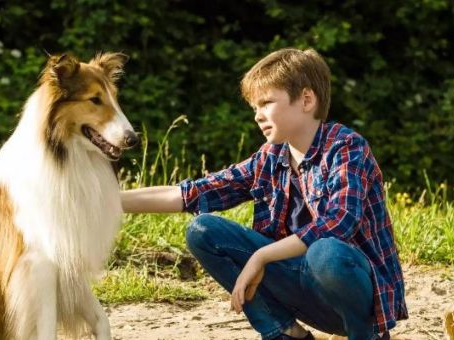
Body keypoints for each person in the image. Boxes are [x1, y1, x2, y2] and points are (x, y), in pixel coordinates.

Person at [121, 48, 408, 340]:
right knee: (203, 230)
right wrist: (110, 201)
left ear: (306, 100)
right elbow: (195, 193)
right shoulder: (270, 157)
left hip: (359, 298)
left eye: (266, 103)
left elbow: (340, 221)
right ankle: (284, 332)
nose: (258, 116)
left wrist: (262, 256)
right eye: (253, 107)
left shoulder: (346, 146)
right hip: (305, 294)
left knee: (326, 251)